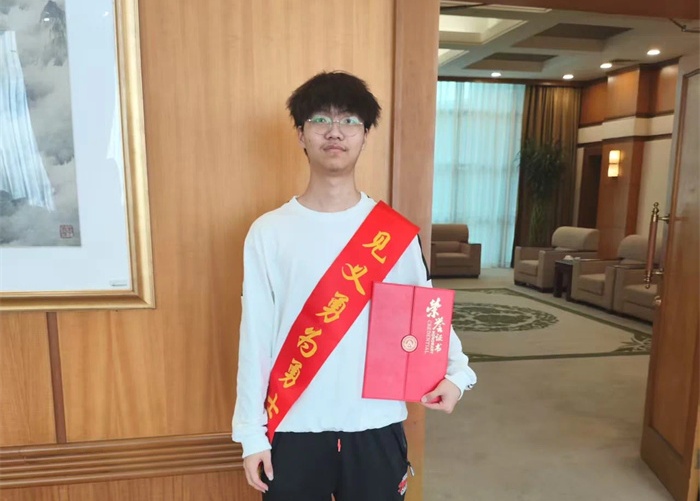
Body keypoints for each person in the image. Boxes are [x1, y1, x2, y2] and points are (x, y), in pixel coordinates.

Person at [232, 71, 477, 501]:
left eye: (348, 120)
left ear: (365, 135)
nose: (334, 131)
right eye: (320, 120)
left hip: (376, 424)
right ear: (301, 134)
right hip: (292, 427)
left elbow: (428, 317)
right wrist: (251, 433)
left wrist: (459, 374)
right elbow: (255, 336)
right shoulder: (268, 232)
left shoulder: (394, 235)